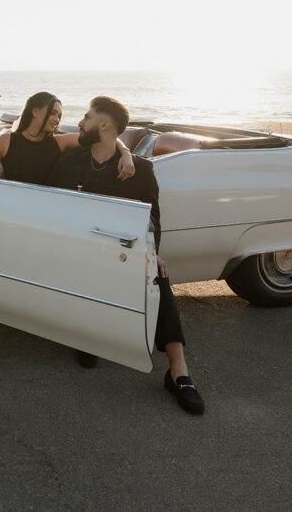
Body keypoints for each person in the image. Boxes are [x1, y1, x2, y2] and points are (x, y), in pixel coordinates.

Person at [45, 95, 205, 415]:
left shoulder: (140, 170)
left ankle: (179, 372)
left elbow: (152, 218)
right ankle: (92, 337)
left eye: (87, 117)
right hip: (79, 253)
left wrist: (151, 253)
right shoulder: (71, 162)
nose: (80, 122)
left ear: (104, 125)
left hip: (120, 254)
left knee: (156, 274)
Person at [0, 91, 137, 345]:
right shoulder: (6, 140)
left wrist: (127, 154)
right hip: (10, 214)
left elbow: (107, 138)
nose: (57, 119)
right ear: (35, 111)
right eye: (53, 113)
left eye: (60, 115)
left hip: (45, 217)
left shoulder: (59, 142)